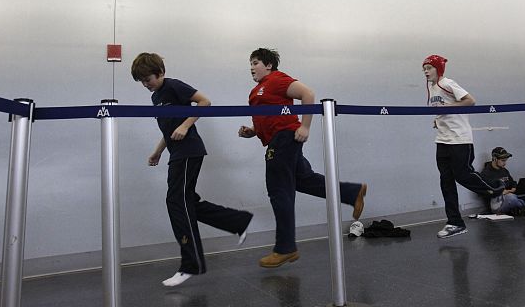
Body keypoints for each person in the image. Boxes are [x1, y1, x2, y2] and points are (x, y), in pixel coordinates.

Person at [131, 53, 253, 287]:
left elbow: (205, 102)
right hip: (178, 153)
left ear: (161, 72)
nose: (146, 84)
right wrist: (158, 151)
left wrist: (187, 126)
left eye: (148, 79)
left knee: (176, 201)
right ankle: (238, 221)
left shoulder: (174, 85)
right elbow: (169, 129)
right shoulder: (156, 96)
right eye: (142, 81)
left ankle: (191, 264)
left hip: (189, 150)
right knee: (187, 202)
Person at [238, 48, 367, 268]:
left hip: (285, 139)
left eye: (256, 62)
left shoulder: (277, 80)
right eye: (250, 63)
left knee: (279, 190)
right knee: (303, 180)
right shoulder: (256, 90)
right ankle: (351, 192)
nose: (251, 67)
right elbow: (268, 117)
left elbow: (307, 94)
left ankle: (285, 248)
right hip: (278, 139)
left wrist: (305, 127)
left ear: (268, 65)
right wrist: (253, 131)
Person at [423, 54, 503, 239]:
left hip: (460, 139)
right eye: (424, 69)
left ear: (438, 68)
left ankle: (495, 190)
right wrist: (438, 119)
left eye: (429, 68)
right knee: (446, 181)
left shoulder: (448, 83)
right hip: (442, 140)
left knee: (462, 174)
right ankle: (455, 222)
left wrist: (445, 110)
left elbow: (470, 101)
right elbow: (441, 108)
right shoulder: (431, 87)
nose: (426, 72)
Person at [479, 147, 525, 216]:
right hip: (498, 202)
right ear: (494, 159)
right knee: (511, 198)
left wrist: (514, 187)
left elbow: (512, 182)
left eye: (506, 161)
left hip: (511, 195)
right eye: (503, 161)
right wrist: (504, 192)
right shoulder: (486, 174)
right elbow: (488, 192)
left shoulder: (504, 170)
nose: (505, 163)